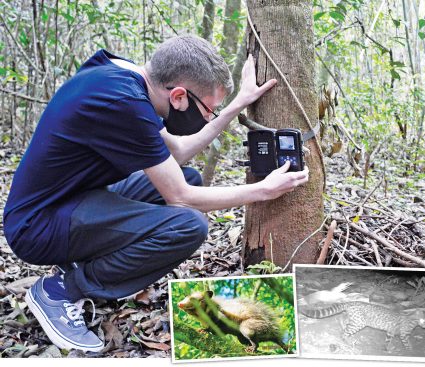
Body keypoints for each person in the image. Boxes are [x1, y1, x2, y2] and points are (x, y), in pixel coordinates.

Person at [2, 35, 309, 352]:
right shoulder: (124, 105)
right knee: (188, 225)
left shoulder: (120, 74)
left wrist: (238, 104)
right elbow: (182, 198)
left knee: (187, 176)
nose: (208, 116)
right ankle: (62, 290)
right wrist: (262, 191)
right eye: (209, 110)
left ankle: (82, 263)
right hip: (36, 227)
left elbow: (178, 153)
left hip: (67, 200)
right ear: (178, 96)